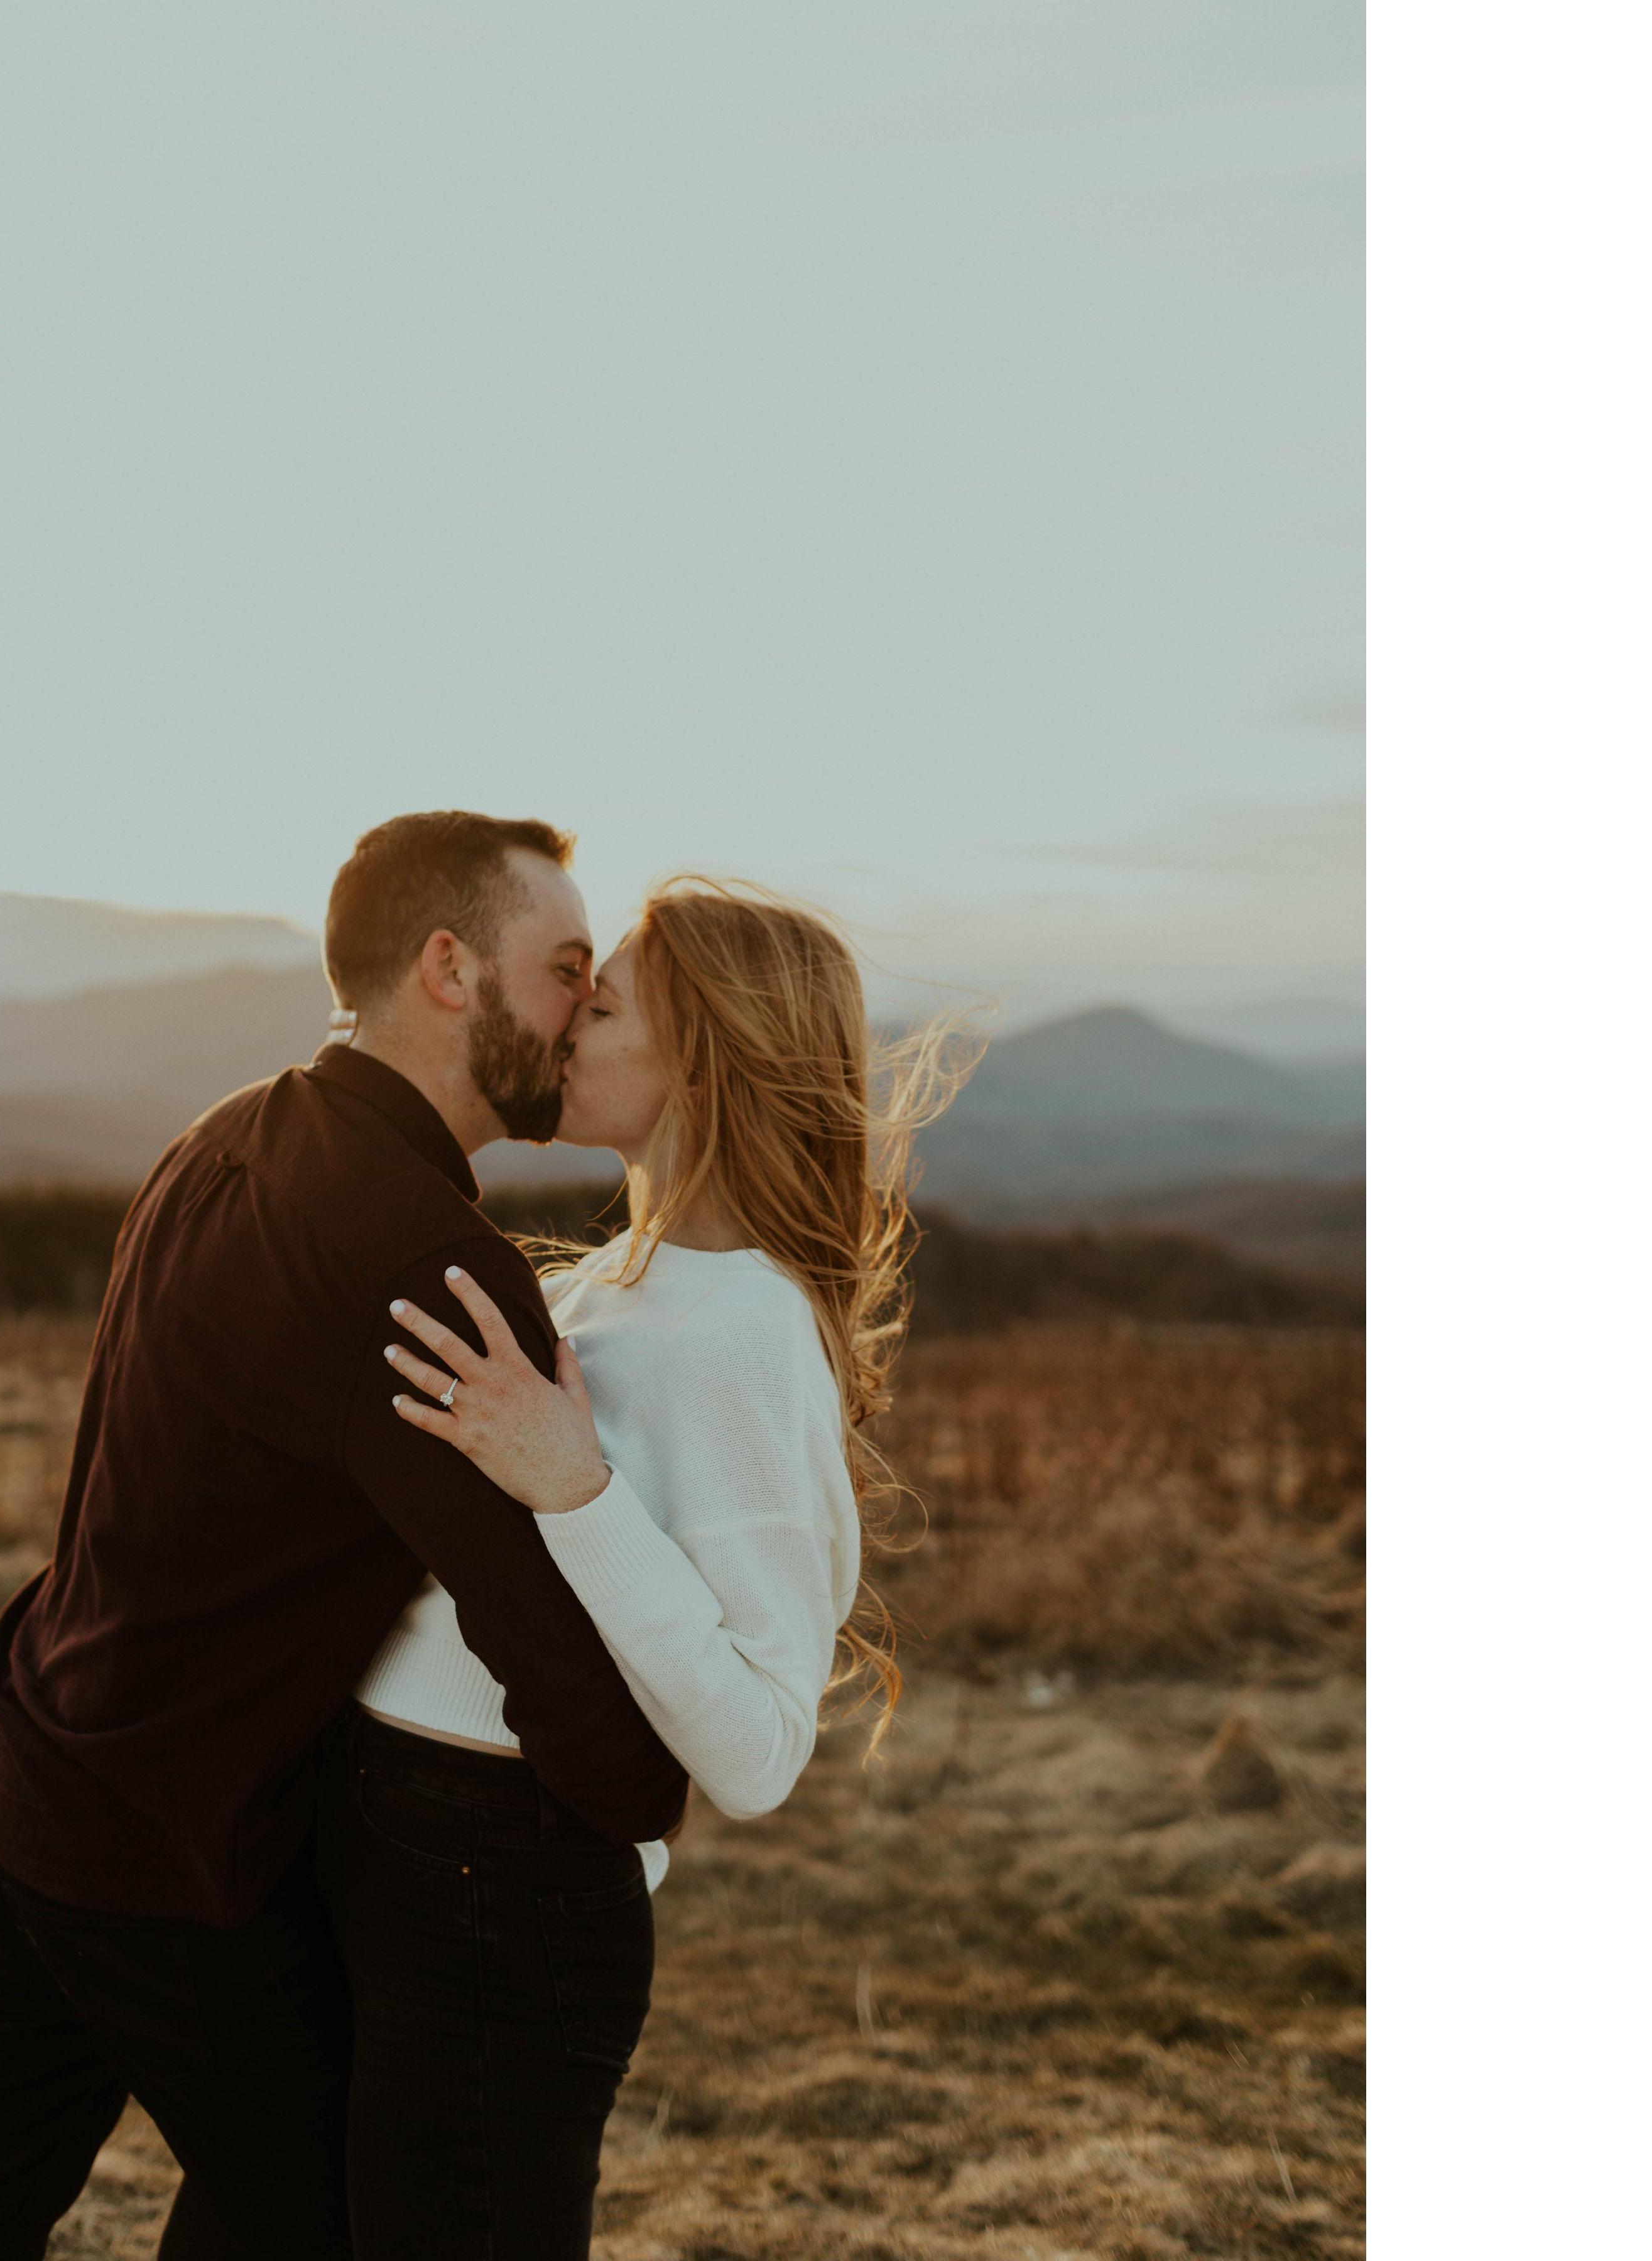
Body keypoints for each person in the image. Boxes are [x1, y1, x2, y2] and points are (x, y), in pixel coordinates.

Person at [0, 811, 689, 2261]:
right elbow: (523, 1603)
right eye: (563, 966)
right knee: (313, 2215)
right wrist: (641, 1794)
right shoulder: (420, 1256)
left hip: (37, 1760)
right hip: (160, 1849)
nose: (583, 1006)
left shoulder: (228, 1131)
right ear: (449, 968)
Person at [322, 874, 962, 2260]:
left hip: (510, 1902)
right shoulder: (599, 1286)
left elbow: (757, 1748)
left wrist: (576, 1486)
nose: (561, 1024)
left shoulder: (746, 1335)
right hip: (407, 1852)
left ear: (708, 1061)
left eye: (599, 1004)